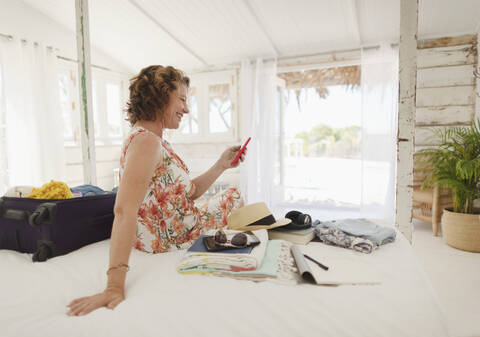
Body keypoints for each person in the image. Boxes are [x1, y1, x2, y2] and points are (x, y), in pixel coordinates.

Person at [66, 65, 245, 316]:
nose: (186, 109)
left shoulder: (154, 140)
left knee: (231, 196)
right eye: (181, 99)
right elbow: (124, 210)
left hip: (175, 225)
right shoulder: (146, 141)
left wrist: (221, 165)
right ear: (161, 96)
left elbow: (189, 192)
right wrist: (114, 286)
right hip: (171, 237)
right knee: (235, 196)